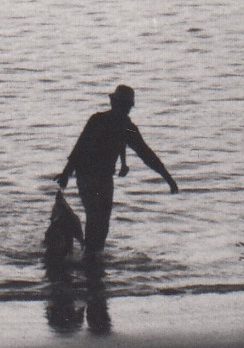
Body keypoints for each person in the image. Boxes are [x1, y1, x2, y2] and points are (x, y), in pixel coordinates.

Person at [54, 84, 178, 259]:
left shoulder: (126, 127)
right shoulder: (98, 120)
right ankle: (89, 255)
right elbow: (80, 147)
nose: (124, 109)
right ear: (115, 104)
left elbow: (146, 154)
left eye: (127, 106)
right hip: (87, 176)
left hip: (104, 179)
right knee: (95, 217)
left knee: (102, 224)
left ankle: (91, 256)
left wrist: (168, 178)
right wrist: (67, 173)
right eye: (123, 105)